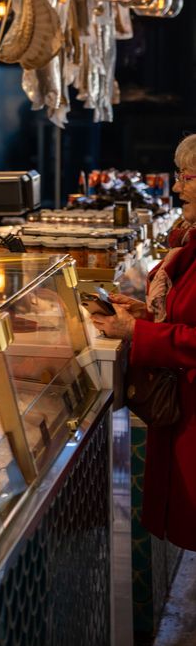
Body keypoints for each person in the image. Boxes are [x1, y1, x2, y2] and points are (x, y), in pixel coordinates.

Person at [91, 134, 196, 550]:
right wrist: (145, 314)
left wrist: (140, 333)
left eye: (187, 177)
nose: (176, 188)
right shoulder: (188, 239)